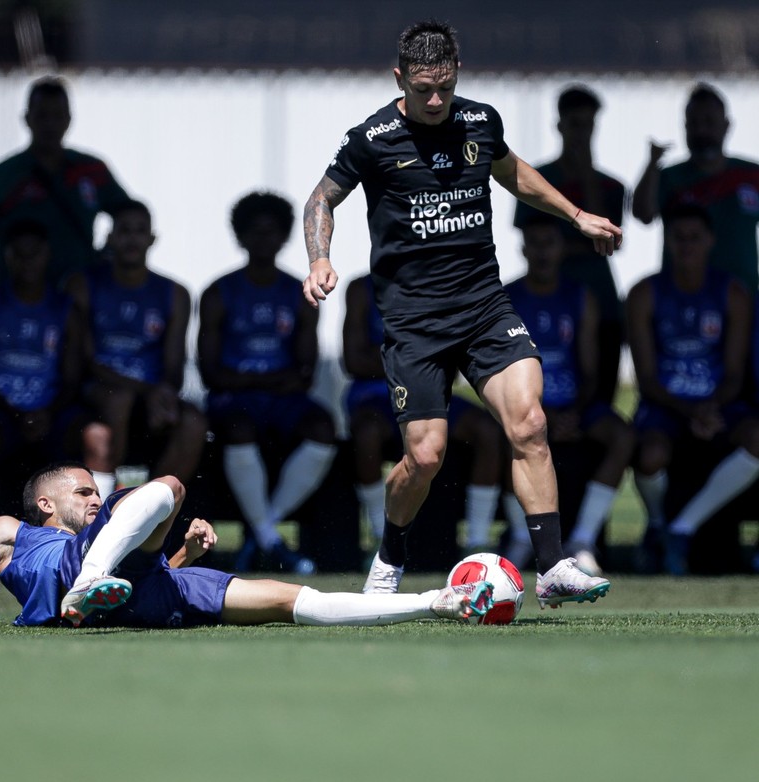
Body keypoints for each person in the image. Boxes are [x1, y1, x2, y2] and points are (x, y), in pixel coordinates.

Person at [302, 19, 621, 607]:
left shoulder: (480, 121)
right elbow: (321, 198)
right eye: (422, 88)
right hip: (414, 323)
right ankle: (390, 556)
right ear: (399, 78)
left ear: (457, 76)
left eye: (444, 87)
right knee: (424, 456)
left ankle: (551, 566)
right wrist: (320, 258)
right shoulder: (370, 138)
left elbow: (512, 172)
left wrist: (575, 216)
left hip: (483, 306)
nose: (434, 100)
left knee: (528, 422)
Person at [0, 462, 495, 632]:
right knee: (163, 483)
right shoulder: (16, 533)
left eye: (98, 492)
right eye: (81, 492)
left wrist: (179, 555)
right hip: (82, 583)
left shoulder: (105, 530)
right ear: (45, 502)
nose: (95, 498)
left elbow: (138, 572)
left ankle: (438, 599)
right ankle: (85, 587)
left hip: (141, 590)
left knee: (290, 601)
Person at [199, 192, 338, 575]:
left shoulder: (300, 291)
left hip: (281, 399)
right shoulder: (218, 292)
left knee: (324, 427)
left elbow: (305, 371)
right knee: (239, 429)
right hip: (234, 401)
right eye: (254, 232)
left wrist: (258, 380)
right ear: (240, 237)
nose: (263, 240)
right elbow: (210, 371)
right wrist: (259, 381)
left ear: (284, 237)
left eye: (271, 232)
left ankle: (264, 532)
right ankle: (272, 540)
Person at [627, 204, 759, 574]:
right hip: (665, 407)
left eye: (694, 238)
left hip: (720, 405)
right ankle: (656, 525)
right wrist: (690, 412)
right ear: (667, 241)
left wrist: (711, 408)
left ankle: (681, 529)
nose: (687, 246)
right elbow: (647, 379)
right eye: (679, 238)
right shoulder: (644, 293)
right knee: (648, 455)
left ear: (710, 241)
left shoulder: (732, 292)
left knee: (756, 438)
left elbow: (734, 372)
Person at [504, 216, 635, 574]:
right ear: (523, 249)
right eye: (536, 243)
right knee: (501, 432)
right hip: (525, 409)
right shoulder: (506, 299)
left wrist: (574, 413)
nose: (543, 252)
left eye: (550, 242)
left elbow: (590, 371)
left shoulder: (580, 297)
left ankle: (583, 539)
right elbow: (498, 371)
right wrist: (540, 412)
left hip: (575, 410)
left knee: (622, 435)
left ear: (562, 248)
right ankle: (519, 539)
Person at [342, 272, 504, 553]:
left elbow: (451, 365)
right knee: (366, 433)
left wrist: (400, 361)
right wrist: (418, 362)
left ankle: (477, 544)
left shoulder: (441, 283)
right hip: (376, 396)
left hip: (429, 393)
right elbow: (354, 360)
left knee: (489, 429)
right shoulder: (360, 289)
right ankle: (381, 541)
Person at [67, 200, 207, 497]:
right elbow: (83, 360)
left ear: (152, 239)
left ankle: (146, 513)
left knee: (194, 422)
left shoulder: (175, 293)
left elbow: (173, 367)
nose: (132, 239)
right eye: (124, 231)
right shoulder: (83, 285)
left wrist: (164, 394)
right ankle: (101, 517)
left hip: (148, 399)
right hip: (96, 394)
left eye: (140, 231)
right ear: (110, 238)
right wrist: (144, 391)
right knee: (119, 399)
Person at [0, 219, 87, 544]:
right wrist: (16, 413)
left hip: (53, 412)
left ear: (47, 256)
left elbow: (73, 378)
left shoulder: (65, 308)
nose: (27, 262)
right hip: (0, 411)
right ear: (8, 257)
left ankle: (90, 545)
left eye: (35, 254)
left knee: (96, 437)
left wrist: (47, 412)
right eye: (20, 254)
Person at [0, 76, 131, 290]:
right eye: (42, 116)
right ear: (27, 119)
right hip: (14, 307)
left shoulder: (92, 171)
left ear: (69, 119)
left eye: (57, 116)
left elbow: (131, 217)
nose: (50, 124)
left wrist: (109, 253)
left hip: (76, 307)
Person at [513, 85, 627, 404]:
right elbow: (531, 238)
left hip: (601, 299)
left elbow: (608, 237)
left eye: (587, 125)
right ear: (560, 125)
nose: (581, 133)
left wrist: (586, 176)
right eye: (574, 124)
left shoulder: (611, 186)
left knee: (601, 397)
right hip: (548, 305)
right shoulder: (538, 181)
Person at [633, 83, 759, 291]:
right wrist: (652, 165)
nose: (701, 131)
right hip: (679, 300)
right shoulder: (668, 177)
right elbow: (643, 214)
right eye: (693, 123)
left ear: (727, 125)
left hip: (743, 300)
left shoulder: (751, 175)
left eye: (709, 122)